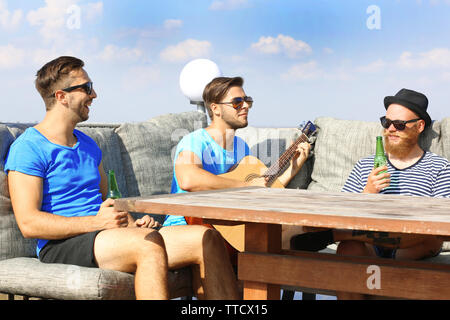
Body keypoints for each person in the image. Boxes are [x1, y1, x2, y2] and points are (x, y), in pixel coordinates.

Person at [4, 56, 239, 300]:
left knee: (205, 238)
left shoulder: (89, 145)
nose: (94, 94)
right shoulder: (28, 147)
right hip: (62, 244)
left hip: (104, 236)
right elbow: (29, 224)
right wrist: (98, 223)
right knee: (148, 244)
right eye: (86, 87)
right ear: (62, 96)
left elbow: (108, 203)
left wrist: (130, 222)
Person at [290, 88, 450, 299]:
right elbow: (341, 213)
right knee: (348, 248)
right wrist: (367, 193)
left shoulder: (439, 167)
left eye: (399, 125)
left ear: (419, 126)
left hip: (415, 247)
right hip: (370, 247)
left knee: (429, 238)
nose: (391, 129)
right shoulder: (366, 165)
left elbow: (440, 227)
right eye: (386, 122)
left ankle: (339, 239)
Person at [163, 76, 311, 254]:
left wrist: (292, 169)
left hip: (227, 227)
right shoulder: (195, 140)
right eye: (237, 102)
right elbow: (188, 180)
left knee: (294, 230)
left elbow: (261, 189)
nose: (246, 106)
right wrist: (245, 185)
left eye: (247, 101)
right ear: (215, 108)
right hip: (185, 224)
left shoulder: (242, 147)